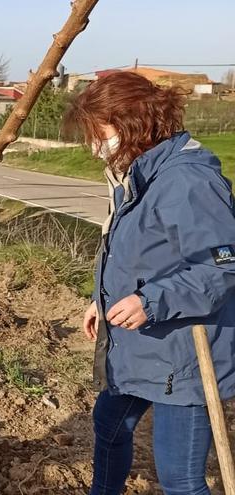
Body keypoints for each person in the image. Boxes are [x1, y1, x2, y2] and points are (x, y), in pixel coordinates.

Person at [69, 71, 235, 495]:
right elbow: (131, 253)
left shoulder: (188, 179)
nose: (93, 145)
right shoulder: (139, 175)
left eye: (98, 132)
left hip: (184, 354)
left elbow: (222, 266)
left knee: (179, 477)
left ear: (131, 123)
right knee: (109, 424)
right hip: (140, 346)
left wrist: (151, 301)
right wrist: (99, 299)